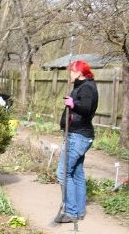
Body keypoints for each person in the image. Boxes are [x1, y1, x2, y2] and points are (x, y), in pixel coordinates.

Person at [54, 60, 98, 223]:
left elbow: (86, 109)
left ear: (79, 72)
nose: (70, 74)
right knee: (77, 174)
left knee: (63, 173)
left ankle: (71, 212)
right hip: (80, 135)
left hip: (78, 136)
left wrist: (73, 104)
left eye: (72, 71)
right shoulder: (82, 85)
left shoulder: (86, 87)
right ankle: (78, 211)